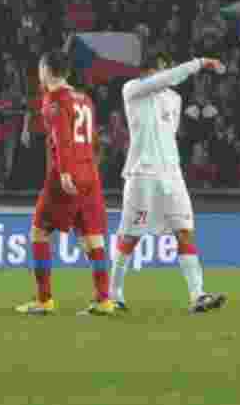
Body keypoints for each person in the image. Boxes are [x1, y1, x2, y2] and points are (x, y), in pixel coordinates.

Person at [109, 54, 228, 315]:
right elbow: (165, 79)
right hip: (142, 174)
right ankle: (113, 294)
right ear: (147, 72)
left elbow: (169, 133)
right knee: (130, 236)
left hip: (172, 175)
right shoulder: (132, 90)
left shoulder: (174, 99)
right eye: (160, 71)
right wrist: (199, 63)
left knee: (184, 231)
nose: (165, 75)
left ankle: (198, 295)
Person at [16, 49, 114, 316]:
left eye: (40, 68)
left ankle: (44, 299)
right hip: (90, 173)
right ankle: (104, 299)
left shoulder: (53, 99)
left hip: (65, 175)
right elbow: (92, 140)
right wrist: (87, 169)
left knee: (38, 233)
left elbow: (61, 138)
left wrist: (66, 172)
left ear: (47, 70)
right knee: (92, 237)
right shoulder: (85, 99)